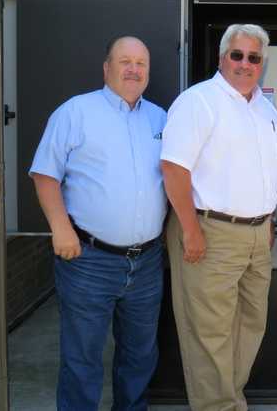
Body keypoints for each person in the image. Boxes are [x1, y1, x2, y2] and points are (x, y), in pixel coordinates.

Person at [29, 36, 167, 411]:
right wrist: (60, 228)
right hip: (88, 260)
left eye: (141, 63)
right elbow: (44, 174)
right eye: (125, 61)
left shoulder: (160, 118)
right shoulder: (76, 112)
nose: (133, 69)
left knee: (139, 358)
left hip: (147, 263)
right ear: (106, 68)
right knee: (82, 359)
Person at [160, 23, 277, 411]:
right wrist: (191, 231)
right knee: (208, 335)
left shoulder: (265, 108)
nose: (245, 64)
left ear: (262, 64)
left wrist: (269, 222)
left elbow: (268, 171)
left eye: (254, 58)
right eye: (237, 55)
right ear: (221, 58)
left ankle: (229, 400)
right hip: (209, 231)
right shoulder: (199, 101)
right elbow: (174, 169)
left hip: (257, 236)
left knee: (249, 327)